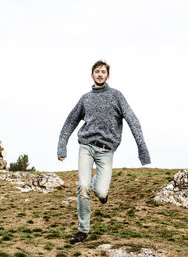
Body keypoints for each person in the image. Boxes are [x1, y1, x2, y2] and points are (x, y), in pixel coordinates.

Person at [57, 60, 151, 244]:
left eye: (103, 72)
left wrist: (143, 150)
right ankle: (83, 230)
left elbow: (133, 120)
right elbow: (70, 122)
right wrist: (62, 146)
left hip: (106, 150)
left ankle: (101, 192)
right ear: (92, 75)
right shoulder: (85, 98)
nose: (100, 74)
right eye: (97, 71)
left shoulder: (117, 96)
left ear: (107, 75)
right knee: (83, 187)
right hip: (86, 146)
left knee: (99, 191)